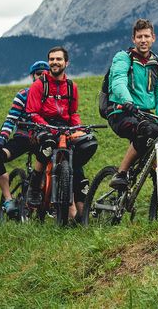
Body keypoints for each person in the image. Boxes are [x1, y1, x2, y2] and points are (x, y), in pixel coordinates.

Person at [25, 46, 98, 222]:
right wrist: (46, 127)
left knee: (85, 147)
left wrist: (78, 129)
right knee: (48, 145)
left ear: (66, 62)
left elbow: (73, 113)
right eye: (52, 59)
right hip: (41, 126)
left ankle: (79, 205)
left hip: (65, 127)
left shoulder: (72, 87)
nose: (54, 62)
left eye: (58, 59)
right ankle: (34, 188)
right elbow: (32, 112)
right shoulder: (39, 84)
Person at [104, 18, 158, 191]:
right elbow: (118, 82)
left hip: (145, 114)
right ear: (133, 39)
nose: (143, 40)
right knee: (148, 131)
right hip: (120, 110)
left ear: (153, 38)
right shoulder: (123, 57)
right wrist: (128, 102)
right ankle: (121, 173)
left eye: (146, 36)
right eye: (139, 36)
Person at [0, 60, 46, 216]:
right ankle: (8, 199)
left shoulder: (52, 96)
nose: (42, 76)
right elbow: (10, 120)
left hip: (43, 139)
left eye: (46, 73)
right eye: (38, 73)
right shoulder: (23, 95)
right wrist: (1, 142)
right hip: (23, 139)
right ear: (32, 76)